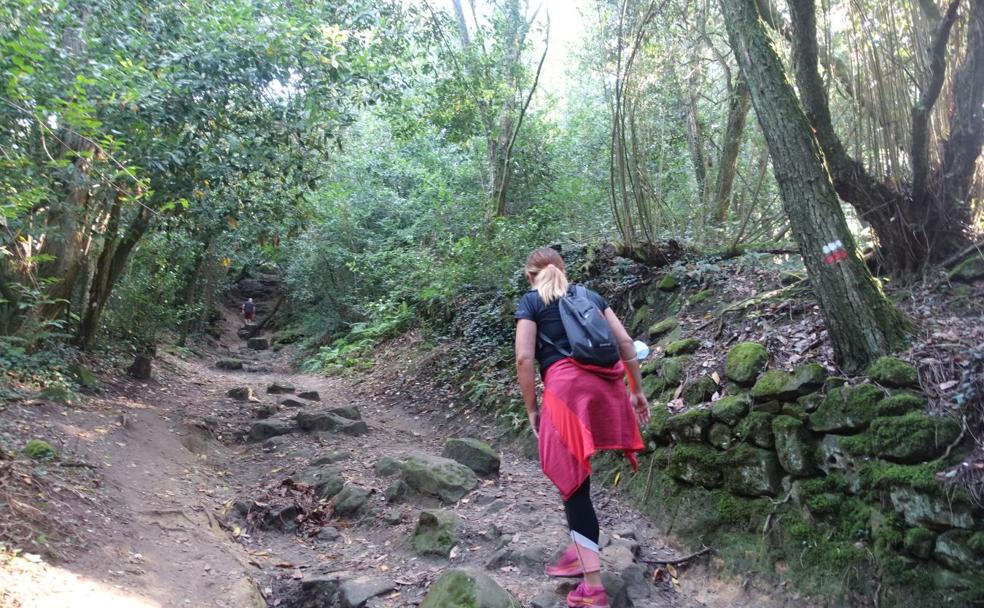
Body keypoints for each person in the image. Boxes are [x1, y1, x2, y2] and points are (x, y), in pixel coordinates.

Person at [514, 247, 650, 608]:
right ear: (563, 270)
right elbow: (624, 343)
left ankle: (593, 587)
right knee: (577, 481)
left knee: (573, 484)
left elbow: (524, 357)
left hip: (567, 394)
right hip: (607, 387)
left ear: (531, 276)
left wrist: (531, 409)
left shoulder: (531, 303)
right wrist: (636, 392)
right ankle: (580, 550)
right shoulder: (590, 296)